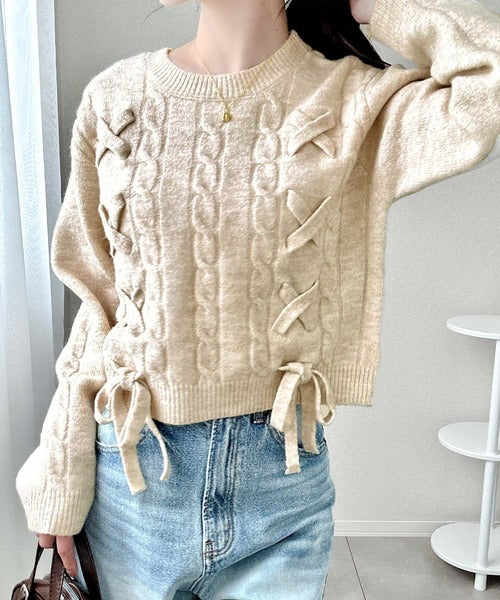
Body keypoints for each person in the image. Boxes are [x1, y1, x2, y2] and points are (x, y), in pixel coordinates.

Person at [16, 0, 499, 598]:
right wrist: (59, 471)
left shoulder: (350, 100)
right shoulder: (116, 101)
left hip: (282, 489)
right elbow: (96, 303)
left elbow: (489, 82)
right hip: (133, 485)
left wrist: (370, 3)